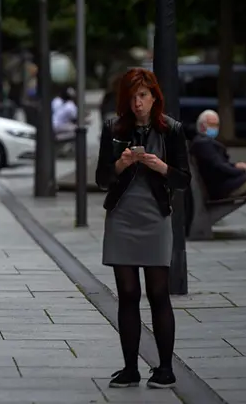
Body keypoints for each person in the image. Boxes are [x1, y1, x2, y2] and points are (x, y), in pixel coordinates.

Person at [95, 68, 190, 389]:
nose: (138, 104)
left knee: (159, 293)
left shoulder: (171, 129)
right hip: (122, 215)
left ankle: (165, 368)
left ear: (154, 97)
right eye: (132, 97)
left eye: (143, 96)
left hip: (156, 216)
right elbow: (101, 178)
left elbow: (184, 179)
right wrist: (121, 164)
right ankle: (130, 368)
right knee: (128, 293)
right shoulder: (114, 128)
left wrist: (160, 166)